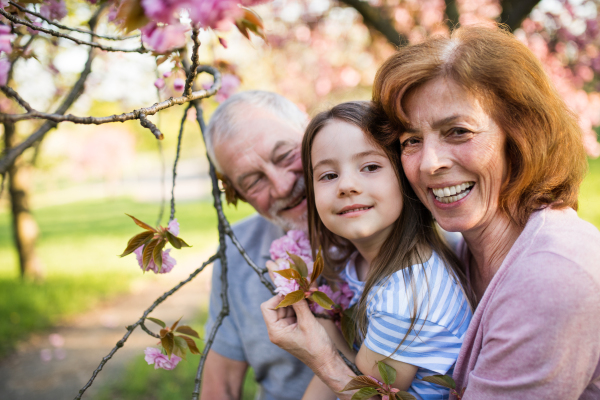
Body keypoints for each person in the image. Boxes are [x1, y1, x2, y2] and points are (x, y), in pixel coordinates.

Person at [261, 24, 600, 399]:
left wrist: (322, 355)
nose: (430, 164)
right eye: (411, 140)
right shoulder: (460, 246)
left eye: (458, 131)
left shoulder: (552, 277)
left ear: (519, 135)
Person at [296, 101, 473, 400]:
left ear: (403, 176)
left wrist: (318, 327)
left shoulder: (408, 298)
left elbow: (367, 394)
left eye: (371, 167)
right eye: (328, 175)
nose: (347, 186)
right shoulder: (360, 262)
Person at [202, 90, 314, 400]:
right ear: (236, 192)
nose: (282, 186)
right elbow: (219, 388)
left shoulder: (401, 224)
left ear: (312, 131)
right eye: (253, 181)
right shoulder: (237, 250)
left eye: (286, 156)